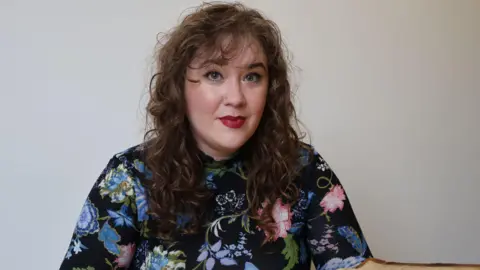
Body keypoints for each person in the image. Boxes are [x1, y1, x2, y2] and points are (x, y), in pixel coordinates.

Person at [59, 2, 373, 270]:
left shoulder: (303, 170)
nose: (235, 97)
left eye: (252, 76)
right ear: (178, 87)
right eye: (214, 74)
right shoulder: (130, 177)